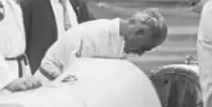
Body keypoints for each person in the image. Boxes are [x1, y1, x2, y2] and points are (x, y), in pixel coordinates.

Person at [34, 9, 168, 83]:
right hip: (47, 90)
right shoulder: (93, 36)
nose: (140, 54)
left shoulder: (121, 42)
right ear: (138, 32)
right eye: (144, 48)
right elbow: (72, 83)